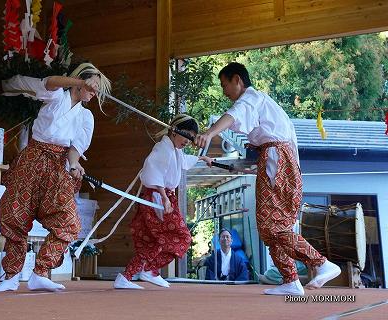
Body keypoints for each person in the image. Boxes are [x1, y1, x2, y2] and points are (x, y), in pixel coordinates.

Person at [195, 62, 341, 296]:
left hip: (277, 160)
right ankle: (291, 280)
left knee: (271, 225)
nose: (224, 91)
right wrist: (218, 162)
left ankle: (321, 263)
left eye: (224, 85)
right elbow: (257, 155)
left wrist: (209, 133)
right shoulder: (264, 111)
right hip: (278, 160)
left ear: (237, 80)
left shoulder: (251, 98)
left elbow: (232, 116)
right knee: (269, 229)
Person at [0, 62, 111, 292]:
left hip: (59, 165)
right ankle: (11, 276)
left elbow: (76, 147)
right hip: (33, 158)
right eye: (92, 88)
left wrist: (74, 164)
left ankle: (40, 272)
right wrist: (78, 82)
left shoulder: (86, 117)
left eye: (96, 91)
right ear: (79, 82)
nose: (94, 94)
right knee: (14, 213)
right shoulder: (57, 96)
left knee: (69, 223)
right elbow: (49, 81)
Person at [114, 114, 213, 289]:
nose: (188, 141)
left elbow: (184, 161)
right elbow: (154, 171)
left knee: (153, 241)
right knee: (182, 236)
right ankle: (149, 269)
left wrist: (202, 158)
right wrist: (165, 198)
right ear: (174, 131)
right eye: (187, 136)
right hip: (157, 199)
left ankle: (128, 276)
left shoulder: (174, 150)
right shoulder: (163, 148)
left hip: (163, 198)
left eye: (191, 138)